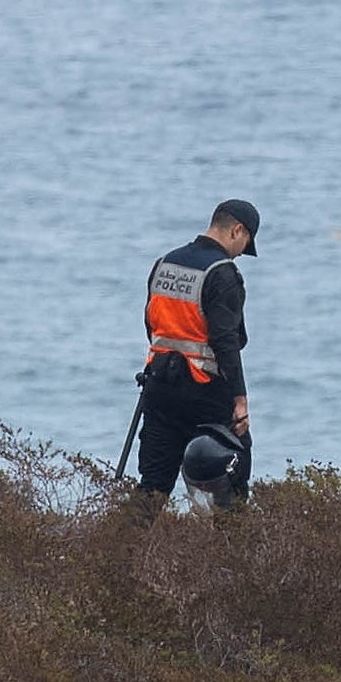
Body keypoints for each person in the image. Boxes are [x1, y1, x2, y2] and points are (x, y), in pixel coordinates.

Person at [134, 198, 260, 507]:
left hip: (159, 387)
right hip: (206, 394)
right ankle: (226, 554)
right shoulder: (223, 273)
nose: (241, 253)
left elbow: (151, 325)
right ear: (237, 231)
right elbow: (227, 342)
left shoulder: (165, 263)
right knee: (230, 485)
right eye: (245, 244)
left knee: (152, 488)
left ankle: (119, 552)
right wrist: (240, 401)